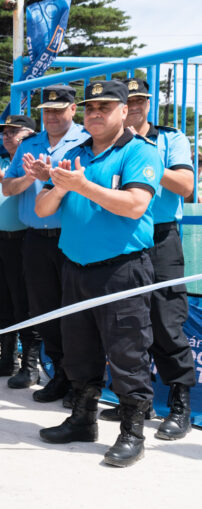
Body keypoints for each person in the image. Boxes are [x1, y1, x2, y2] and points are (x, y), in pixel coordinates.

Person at [35, 80, 163, 467]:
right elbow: (42, 209)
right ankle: (83, 419)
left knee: (127, 353)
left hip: (121, 269)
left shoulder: (140, 153)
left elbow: (134, 206)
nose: (95, 114)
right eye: (90, 108)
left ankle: (132, 431)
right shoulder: (75, 154)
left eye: (104, 108)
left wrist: (83, 185)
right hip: (75, 267)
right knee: (78, 350)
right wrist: (59, 186)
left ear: (124, 111)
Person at [96, 77, 195, 439]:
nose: (136, 107)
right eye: (130, 101)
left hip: (160, 237)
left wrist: (146, 158)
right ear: (121, 108)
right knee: (128, 325)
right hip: (122, 237)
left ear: (147, 104)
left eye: (141, 101)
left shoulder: (170, 140)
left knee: (167, 320)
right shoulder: (109, 144)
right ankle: (137, 403)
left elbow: (185, 187)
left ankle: (180, 403)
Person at [2, 85, 89, 399]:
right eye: (47, 111)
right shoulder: (31, 144)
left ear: (72, 109)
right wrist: (29, 177)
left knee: (77, 312)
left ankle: (82, 384)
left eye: (58, 109)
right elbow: (9, 189)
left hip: (73, 238)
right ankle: (61, 374)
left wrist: (51, 176)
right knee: (44, 309)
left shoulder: (86, 141)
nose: (51, 116)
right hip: (36, 240)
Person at [0, 115, 36, 378]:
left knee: (23, 303)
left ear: (29, 134)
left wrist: (2, 178)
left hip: (23, 241)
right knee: (1, 303)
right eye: (4, 132)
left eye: (14, 132)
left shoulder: (32, 162)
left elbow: (25, 191)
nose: (7, 136)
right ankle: (6, 358)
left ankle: (29, 365)